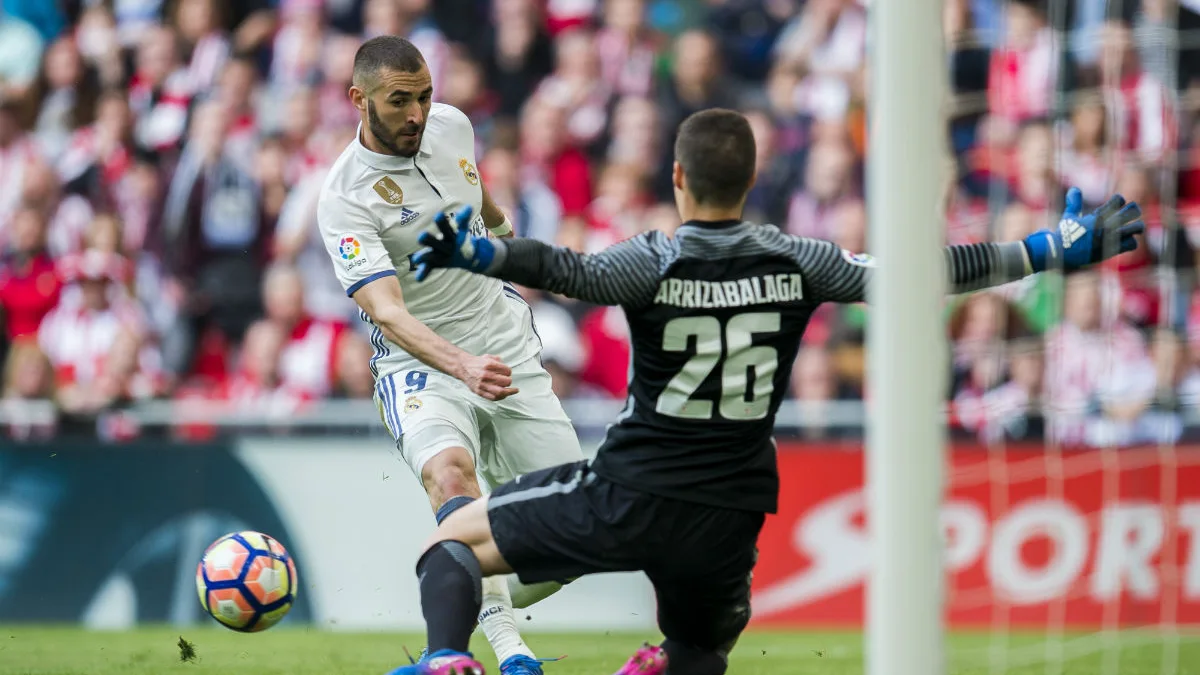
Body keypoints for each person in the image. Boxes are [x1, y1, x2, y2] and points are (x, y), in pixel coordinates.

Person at [395, 108, 1145, 675]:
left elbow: (566, 268)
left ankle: (445, 661)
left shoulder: (653, 261)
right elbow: (923, 271)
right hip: (730, 510)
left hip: (631, 491)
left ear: (680, 179)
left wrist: (481, 250)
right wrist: (1050, 247)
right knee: (698, 649)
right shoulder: (800, 259)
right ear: (751, 181)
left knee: (448, 545)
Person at [316, 36, 582, 675]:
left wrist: (507, 237)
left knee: (573, 537)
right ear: (359, 100)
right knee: (452, 476)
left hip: (509, 349)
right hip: (422, 365)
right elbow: (386, 310)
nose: (416, 113)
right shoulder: (344, 197)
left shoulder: (452, 126)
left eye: (424, 95)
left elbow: (476, 194)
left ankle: (453, 591)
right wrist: (460, 366)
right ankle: (485, 655)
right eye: (398, 100)